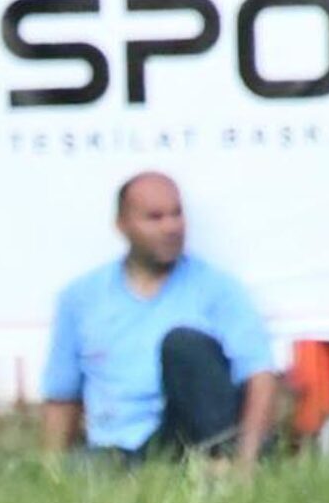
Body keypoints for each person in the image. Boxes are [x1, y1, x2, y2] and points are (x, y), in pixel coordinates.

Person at [40, 172, 278, 472]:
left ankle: (217, 467)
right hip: (116, 447)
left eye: (177, 214)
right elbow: (62, 397)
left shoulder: (219, 289)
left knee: (183, 345)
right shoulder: (80, 298)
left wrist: (246, 463)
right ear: (122, 225)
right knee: (80, 470)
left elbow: (260, 377)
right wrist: (52, 472)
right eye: (155, 218)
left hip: (189, 439)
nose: (171, 227)